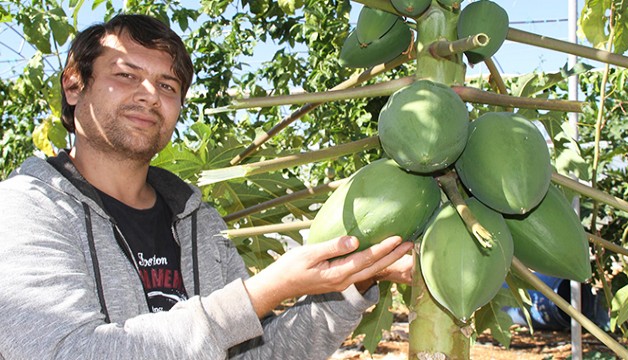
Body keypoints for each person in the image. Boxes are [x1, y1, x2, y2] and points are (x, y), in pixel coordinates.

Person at [0, 14, 414, 359]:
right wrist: (264, 291)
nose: (149, 95)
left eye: (167, 86)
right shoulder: (26, 209)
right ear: (74, 85)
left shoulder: (198, 221)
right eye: (126, 75)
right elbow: (65, 351)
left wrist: (353, 280)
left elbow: (256, 354)